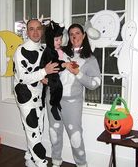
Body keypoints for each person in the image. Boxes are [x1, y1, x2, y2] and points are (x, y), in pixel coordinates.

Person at [47, 23, 101, 167]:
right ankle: (56, 162)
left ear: (83, 35)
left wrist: (78, 73)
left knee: (75, 136)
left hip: (72, 102)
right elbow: (49, 67)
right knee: (54, 133)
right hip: (52, 99)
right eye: (71, 34)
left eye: (77, 33)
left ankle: (81, 164)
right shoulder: (60, 53)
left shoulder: (90, 59)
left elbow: (95, 83)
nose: (74, 36)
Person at [13, 18, 59, 167]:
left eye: (38, 28)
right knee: (33, 131)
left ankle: (29, 158)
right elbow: (23, 77)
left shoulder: (43, 49)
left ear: (42, 30)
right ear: (26, 32)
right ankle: (41, 163)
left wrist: (44, 77)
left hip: (39, 96)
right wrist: (44, 72)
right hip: (25, 96)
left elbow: (38, 72)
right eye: (31, 28)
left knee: (37, 130)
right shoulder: (20, 51)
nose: (35, 32)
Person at [40, 20, 71, 121]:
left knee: (58, 88)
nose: (59, 42)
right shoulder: (50, 51)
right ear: (50, 40)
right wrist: (64, 64)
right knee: (57, 87)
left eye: (60, 39)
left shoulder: (55, 50)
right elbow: (55, 64)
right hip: (49, 73)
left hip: (52, 72)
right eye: (56, 40)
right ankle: (53, 106)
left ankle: (56, 104)